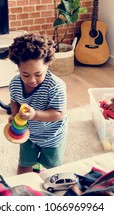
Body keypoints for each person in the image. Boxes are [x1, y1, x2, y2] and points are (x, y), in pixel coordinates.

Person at [7, 33, 68, 175]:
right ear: (18, 67)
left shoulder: (56, 86)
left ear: (47, 64)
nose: (32, 80)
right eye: (25, 74)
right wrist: (14, 115)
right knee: (24, 165)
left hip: (52, 136)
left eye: (38, 74)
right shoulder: (15, 83)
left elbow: (58, 114)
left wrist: (34, 114)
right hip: (27, 135)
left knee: (53, 170)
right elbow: (14, 99)